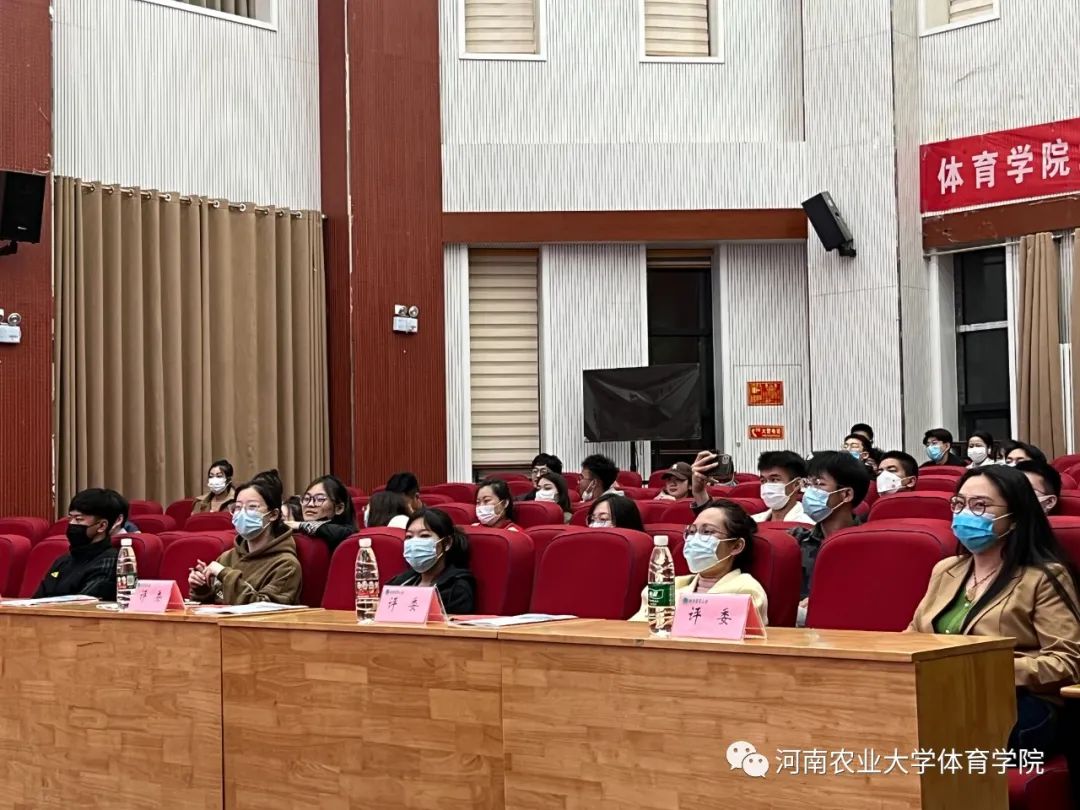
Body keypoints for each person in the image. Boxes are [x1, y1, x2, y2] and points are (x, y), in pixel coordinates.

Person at [908, 465, 1080, 756]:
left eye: (980, 506)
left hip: (1015, 703)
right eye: (959, 504)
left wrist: (984, 670)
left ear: (1015, 517)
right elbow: (914, 635)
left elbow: (1067, 662)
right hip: (942, 696)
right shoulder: (946, 570)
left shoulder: (1044, 577)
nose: (965, 513)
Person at [629, 500, 767, 623]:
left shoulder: (747, 590)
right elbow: (635, 630)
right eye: (692, 531)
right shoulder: (671, 586)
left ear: (736, 546)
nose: (695, 539)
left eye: (707, 532)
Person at [189, 471, 302, 605]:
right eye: (238, 507)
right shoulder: (227, 557)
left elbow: (264, 607)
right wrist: (203, 589)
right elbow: (219, 598)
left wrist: (225, 574)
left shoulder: (286, 565)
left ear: (273, 515)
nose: (242, 513)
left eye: (252, 507)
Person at [790, 451, 871, 602]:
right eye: (808, 484)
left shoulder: (869, 546)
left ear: (846, 494)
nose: (809, 492)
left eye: (819, 484)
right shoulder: (796, 541)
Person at [34, 488, 125, 600]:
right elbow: (37, 599)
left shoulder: (109, 561)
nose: (72, 523)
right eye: (70, 518)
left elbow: (84, 603)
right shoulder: (63, 560)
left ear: (102, 526)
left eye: (79, 519)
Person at [388, 508, 476, 614]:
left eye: (424, 536)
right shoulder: (399, 583)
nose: (414, 543)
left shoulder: (456, 589)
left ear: (447, 543)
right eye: (409, 537)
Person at [286, 474, 357, 551]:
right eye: (306, 498)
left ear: (339, 508)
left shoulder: (345, 532)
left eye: (320, 499)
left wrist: (299, 525)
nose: (310, 504)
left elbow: (340, 531)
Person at [746, 450, 813, 524]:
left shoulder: (809, 524)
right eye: (763, 481)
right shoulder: (751, 523)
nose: (767, 486)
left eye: (774, 480)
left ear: (796, 484)